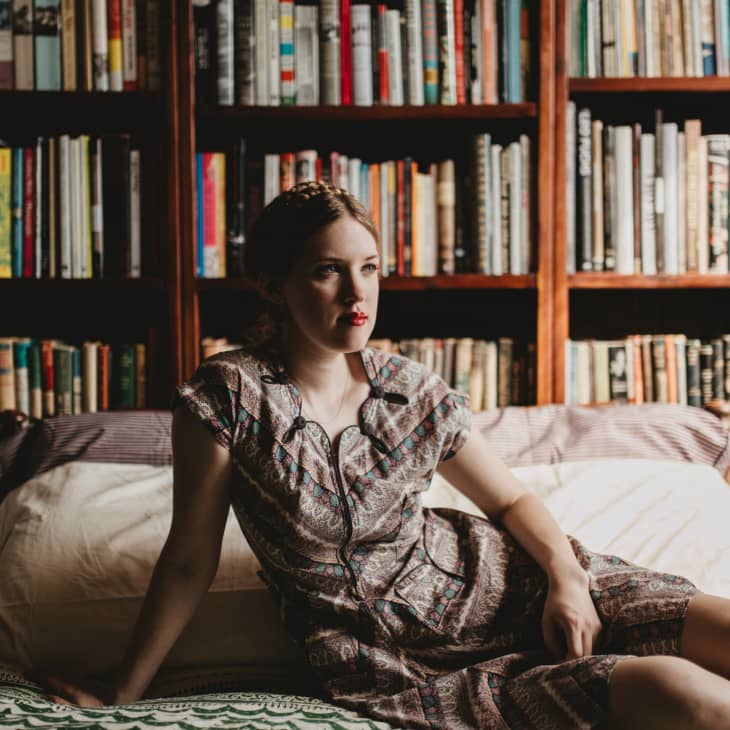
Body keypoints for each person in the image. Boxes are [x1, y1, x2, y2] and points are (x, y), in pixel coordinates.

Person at [34, 180, 730, 728]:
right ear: (274, 285)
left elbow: (512, 499)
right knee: (684, 696)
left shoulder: (412, 392)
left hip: (524, 585)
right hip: (407, 664)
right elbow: (190, 560)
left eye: (368, 268)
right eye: (328, 271)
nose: (357, 291)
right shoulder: (229, 398)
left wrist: (567, 578)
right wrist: (122, 690)